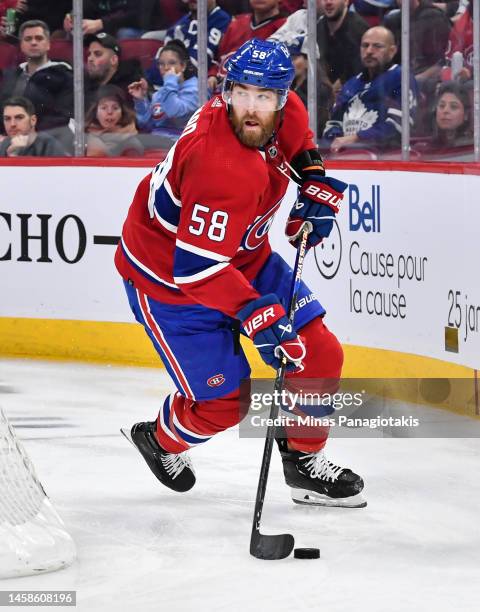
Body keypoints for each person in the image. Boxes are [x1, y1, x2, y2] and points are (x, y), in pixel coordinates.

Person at [115, 39, 365, 508]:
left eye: (264, 96)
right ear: (225, 90)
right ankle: (161, 440)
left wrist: (312, 183)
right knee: (225, 405)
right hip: (171, 282)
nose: (251, 108)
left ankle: (304, 462)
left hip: (245, 258)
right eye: (242, 93)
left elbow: (301, 147)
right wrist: (256, 313)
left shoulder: (284, 107)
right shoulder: (218, 164)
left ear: (281, 95)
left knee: (320, 355)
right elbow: (197, 270)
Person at [323, 26, 418, 153]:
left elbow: (398, 126)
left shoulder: (400, 77)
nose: (369, 51)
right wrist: (336, 140)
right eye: (365, 45)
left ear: (392, 51)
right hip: (346, 157)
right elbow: (333, 123)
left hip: (385, 159)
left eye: (377, 46)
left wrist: (357, 138)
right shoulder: (351, 84)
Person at [0, 20, 73, 131]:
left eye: (39, 38)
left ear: (48, 44)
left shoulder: (64, 75)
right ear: (21, 45)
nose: (33, 42)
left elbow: (62, 117)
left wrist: (32, 138)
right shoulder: (10, 76)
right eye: (28, 39)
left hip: (45, 141)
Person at [143, 0, 231, 88]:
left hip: (189, 90)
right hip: (162, 86)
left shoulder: (222, 21)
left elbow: (198, 66)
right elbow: (157, 68)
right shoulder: (181, 23)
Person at [207, 0, 287, 93]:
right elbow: (219, 59)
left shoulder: (285, 28)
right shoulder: (236, 24)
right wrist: (212, 75)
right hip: (220, 92)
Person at [128, 39, 198, 139]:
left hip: (181, 144)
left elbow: (174, 111)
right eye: (161, 64)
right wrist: (140, 100)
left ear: (183, 66)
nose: (166, 68)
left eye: (172, 63)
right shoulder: (160, 93)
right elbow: (145, 125)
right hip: (156, 142)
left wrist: (170, 81)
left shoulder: (197, 89)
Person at [384, 0, 451, 93]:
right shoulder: (392, 21)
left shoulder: (433, 17)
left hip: (426, 80)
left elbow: (440, 64)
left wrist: (413, 80)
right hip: (400, 77)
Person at [317, 0, 369, 98]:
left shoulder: (358, 29)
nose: (328, 2)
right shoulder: (318, 27)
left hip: (355, 94)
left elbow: (361, 69)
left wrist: (342, 83)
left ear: (346, 1)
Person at [84, 32, 142, 109]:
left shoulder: (131, 88)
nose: (90, 59)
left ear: (114, 60)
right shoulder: (84, 85)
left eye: (97, 54)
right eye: (89, 54)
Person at [85, 84, 143, 157]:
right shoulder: (82, 138)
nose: (109, 112)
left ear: (122, 112)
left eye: (115, 108)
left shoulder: (131, 143)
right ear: (95, 112)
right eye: (104, 108)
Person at [0, 95, 66, 156]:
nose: (12, 124)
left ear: (33, 120)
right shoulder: (5, 144)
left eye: (19, 117)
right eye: (7, 119)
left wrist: (16, 156)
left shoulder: (49, 146)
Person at [63, 0, 139, 37]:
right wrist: (72, 17)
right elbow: (86, 6)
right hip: (103, 26)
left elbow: (134, 14)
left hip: (128, 27)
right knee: (74, 33)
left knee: (124, 33)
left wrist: (101, 23)